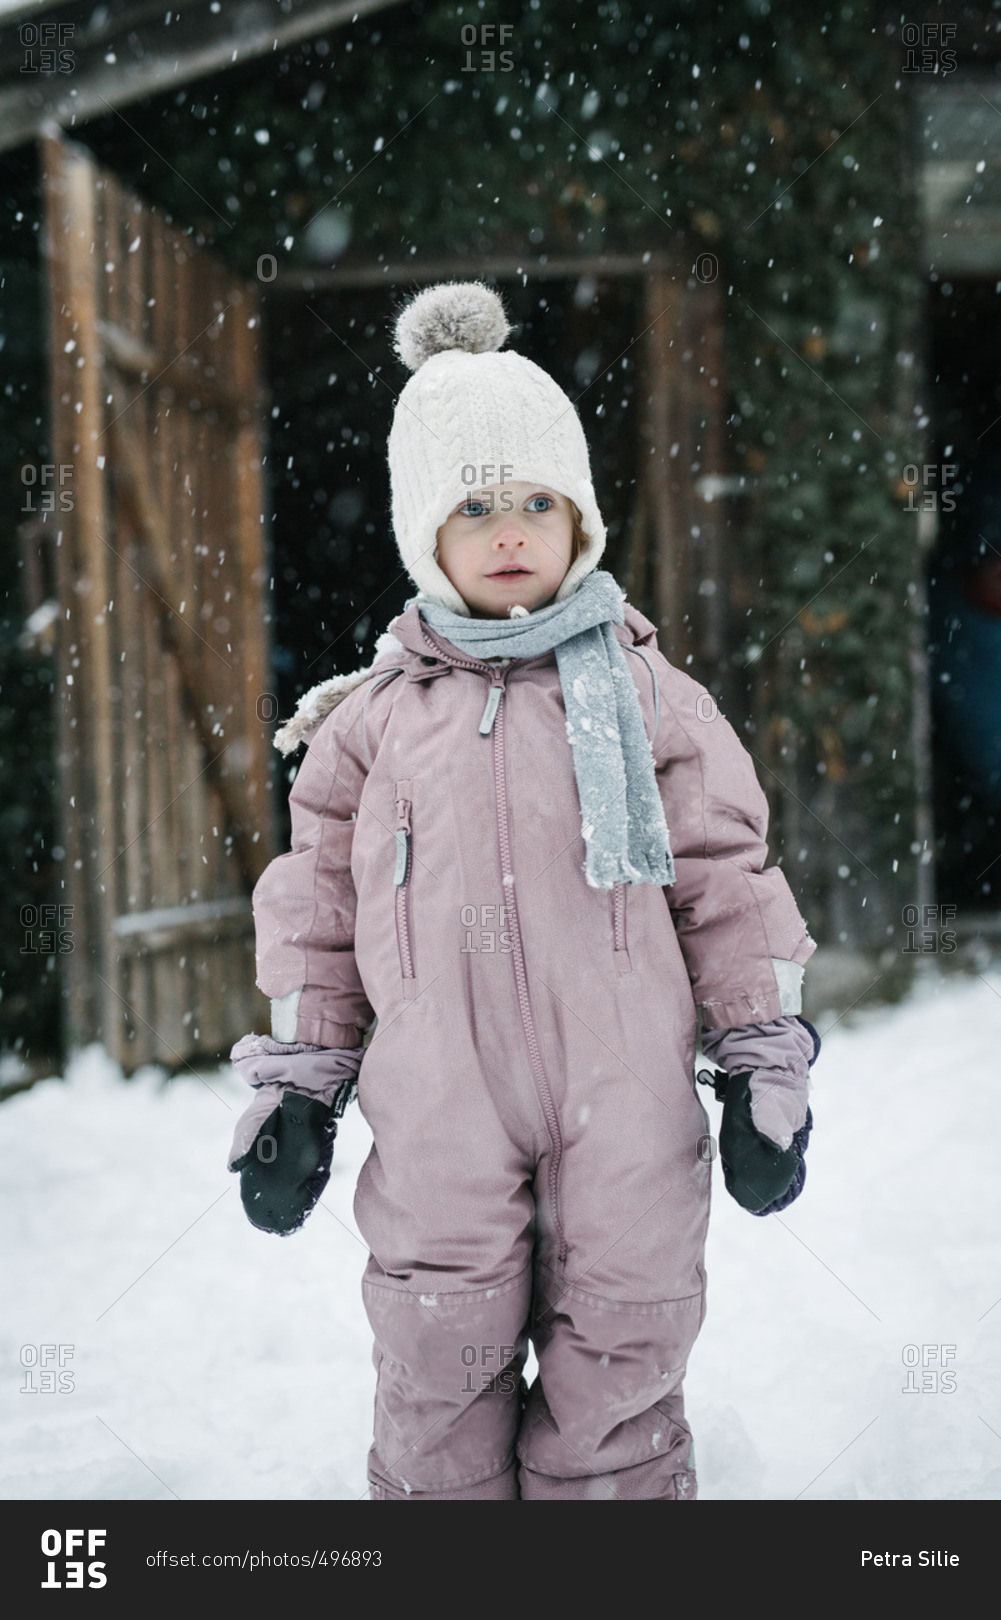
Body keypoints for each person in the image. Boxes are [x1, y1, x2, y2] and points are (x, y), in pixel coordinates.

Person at [226, 281, 821, 1502]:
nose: (510, 529)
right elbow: (316, 916)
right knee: (437, 1369)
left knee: (625, 1356)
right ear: (423, 536)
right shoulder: (370, 723)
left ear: (581, 521)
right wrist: (300, 1088)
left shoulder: (651, 696)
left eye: (537, 501)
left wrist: (762, 1057)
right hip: (440, 1110)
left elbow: (725, 876)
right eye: (475, 505)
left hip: (630, 1105)